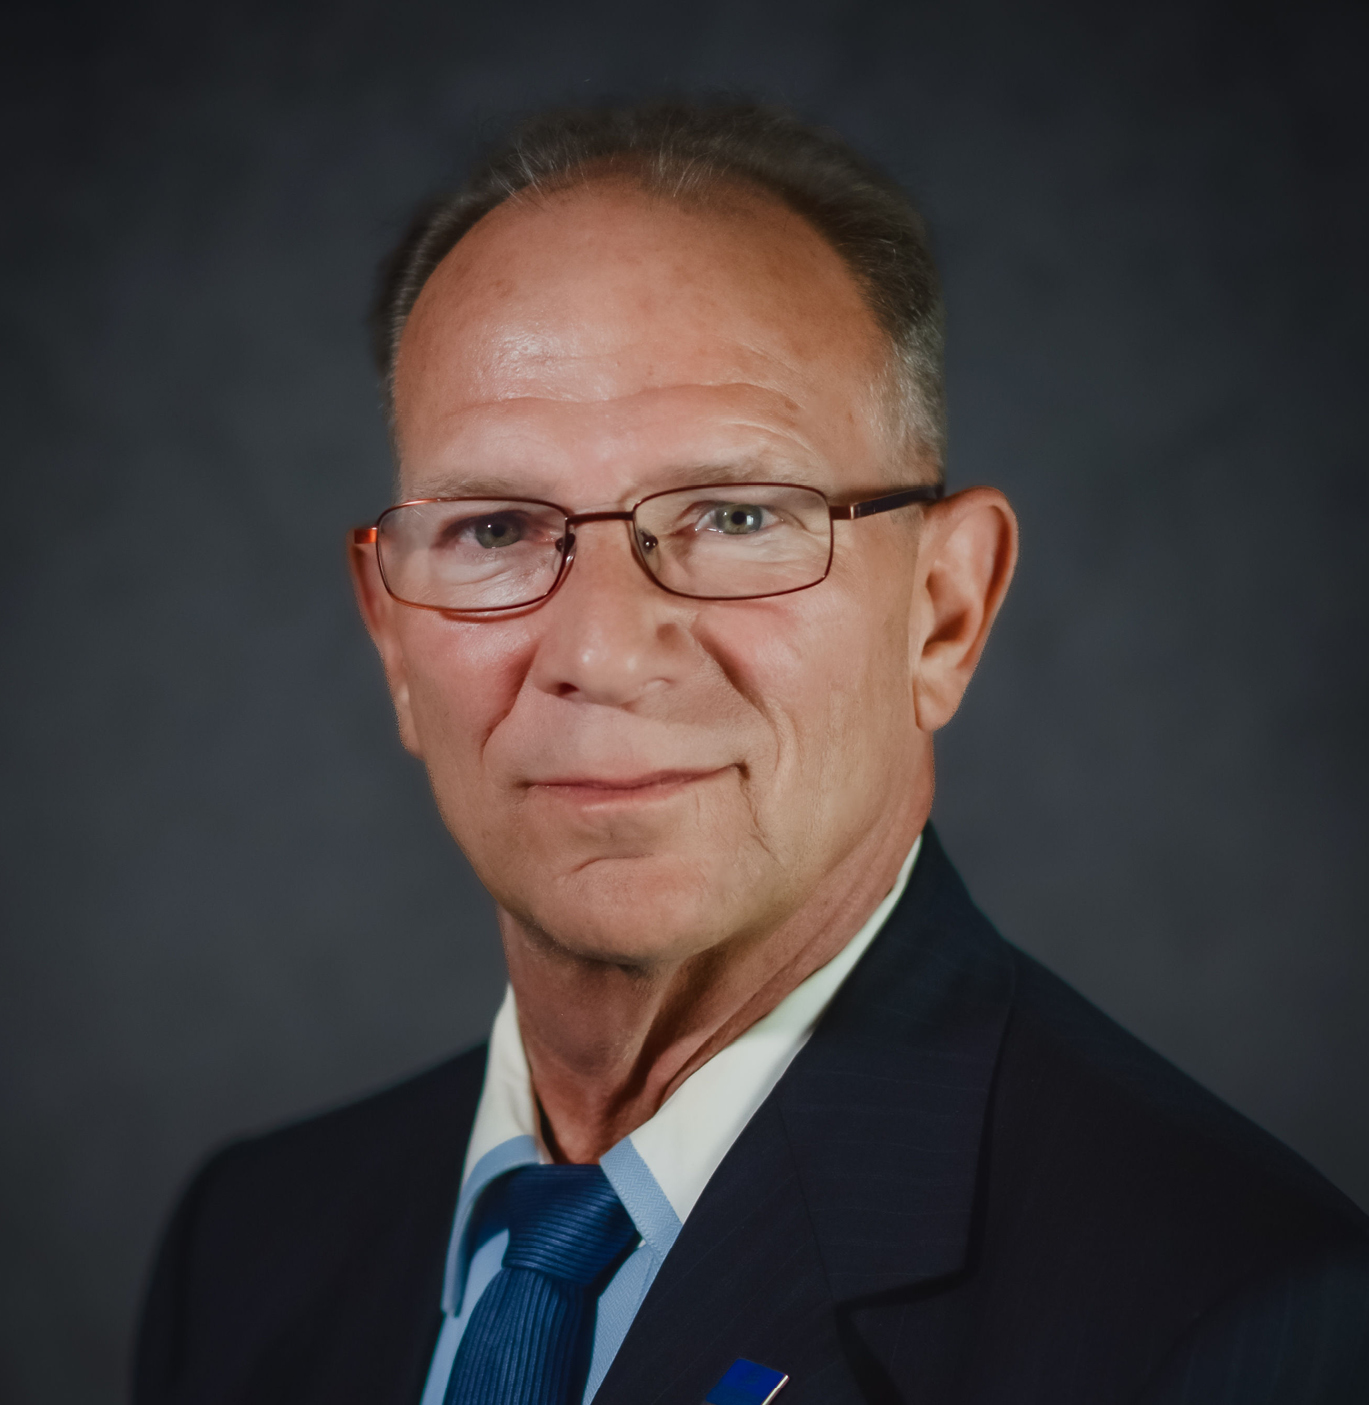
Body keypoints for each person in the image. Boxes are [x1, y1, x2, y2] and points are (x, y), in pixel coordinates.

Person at [134, 102, 1369, 1405]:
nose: (602, 650)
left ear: (943, 613)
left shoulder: (1235, 1325)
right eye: (495, 527)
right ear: (393, 637)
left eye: (734, 515)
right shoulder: (249, 1246)